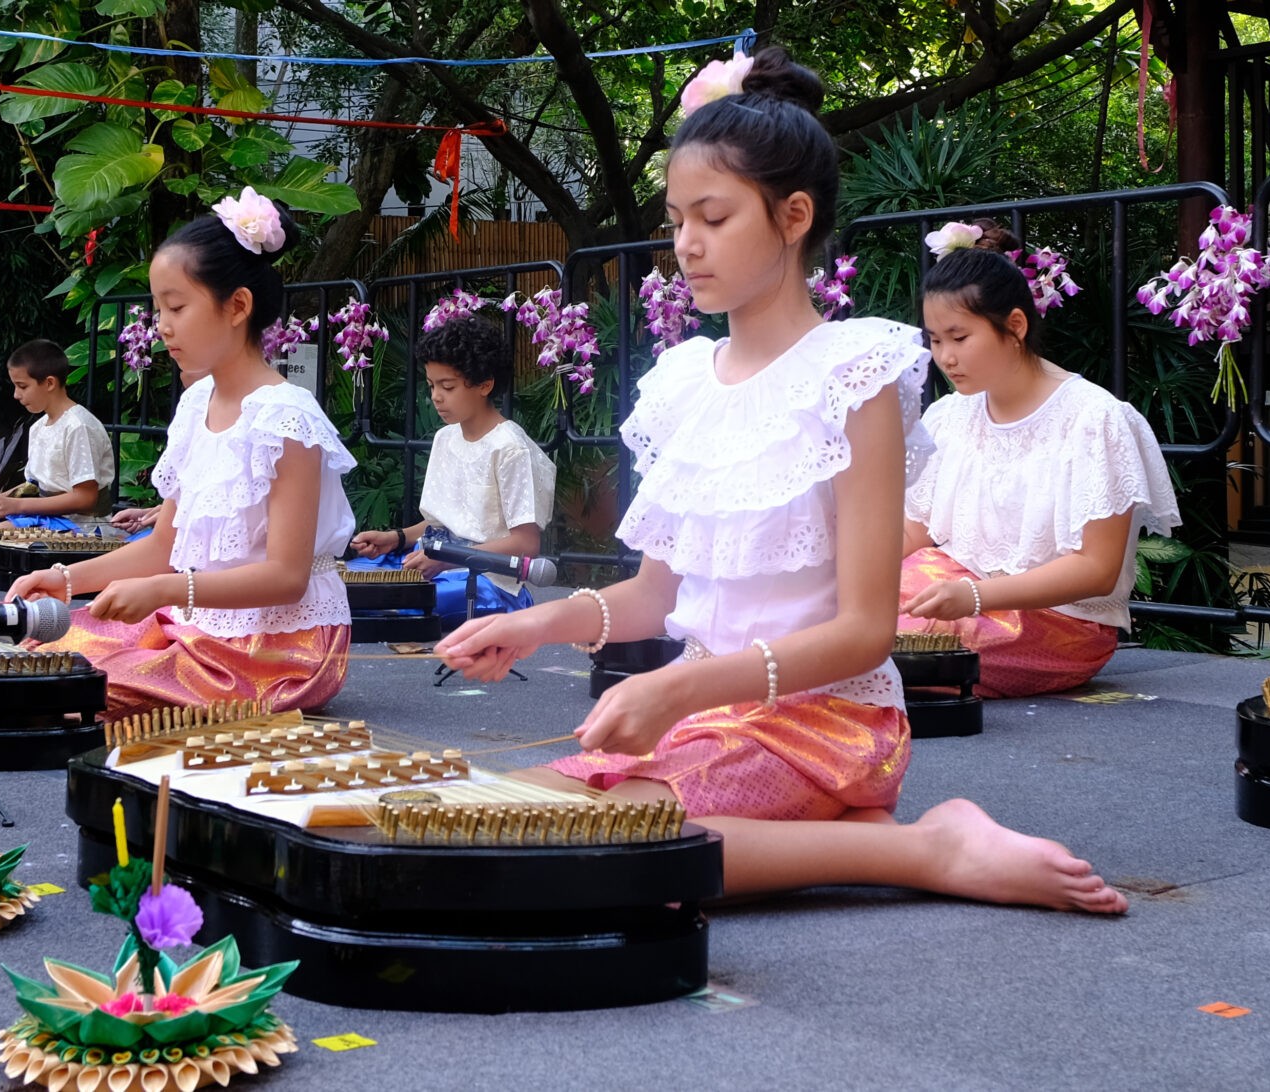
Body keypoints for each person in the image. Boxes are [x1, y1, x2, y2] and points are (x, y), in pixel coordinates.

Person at [434, 49, 1126, 911]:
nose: (686, 242)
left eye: (714, 217)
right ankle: (852, 837)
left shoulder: (854, 374)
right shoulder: (684, 381)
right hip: (709, 715)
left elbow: (866, 633)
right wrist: (540, 624)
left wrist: (677, 685)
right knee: (501, 816)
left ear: (794, 215)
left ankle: (925, 853)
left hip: (822, 716)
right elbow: (654, 596)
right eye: (677, 217)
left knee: (592, 841)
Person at [7, 191, 356, 719]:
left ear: (237, 306)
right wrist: (66, 579)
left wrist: (166, 590)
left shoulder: (287, 418)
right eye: (158, 309)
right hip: (198, 620)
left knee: (78, 689)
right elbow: (163, 547)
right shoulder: (197, 405)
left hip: (282, 645)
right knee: (45, 660)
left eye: (177, 307)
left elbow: (287, 576)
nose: (161, 325)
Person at [897, 219, 1182, 698]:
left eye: (959, 337)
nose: (944, 357)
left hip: (1060, 624)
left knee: (894, 637)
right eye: (935, 339)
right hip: (956, 589)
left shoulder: (1095, 420)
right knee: (839, 610)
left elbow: (1097, 567)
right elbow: (917, 529)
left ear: (1015, 326)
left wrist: (975, 596)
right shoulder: (950, 416)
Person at [348, 312, 555, 624]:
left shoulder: (510, 447)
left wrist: (444, 559)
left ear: (484, 385)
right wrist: (395, 537)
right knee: (341, 585)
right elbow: (441, 524)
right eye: (431, 385)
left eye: (447, 386)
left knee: (393, 601)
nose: (436, 397)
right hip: (437, 562)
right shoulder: (445, 438)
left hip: (490, 585)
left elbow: (526, 544)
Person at [0, 339, 117, 530]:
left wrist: (18, 505)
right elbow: (34, 485)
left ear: (49, 383)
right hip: (50, 519)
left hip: (84, 527)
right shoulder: (38, 427)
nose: (16, 395)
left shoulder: (78, 426)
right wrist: (0, 499)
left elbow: (85, 498)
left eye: (22, 386)